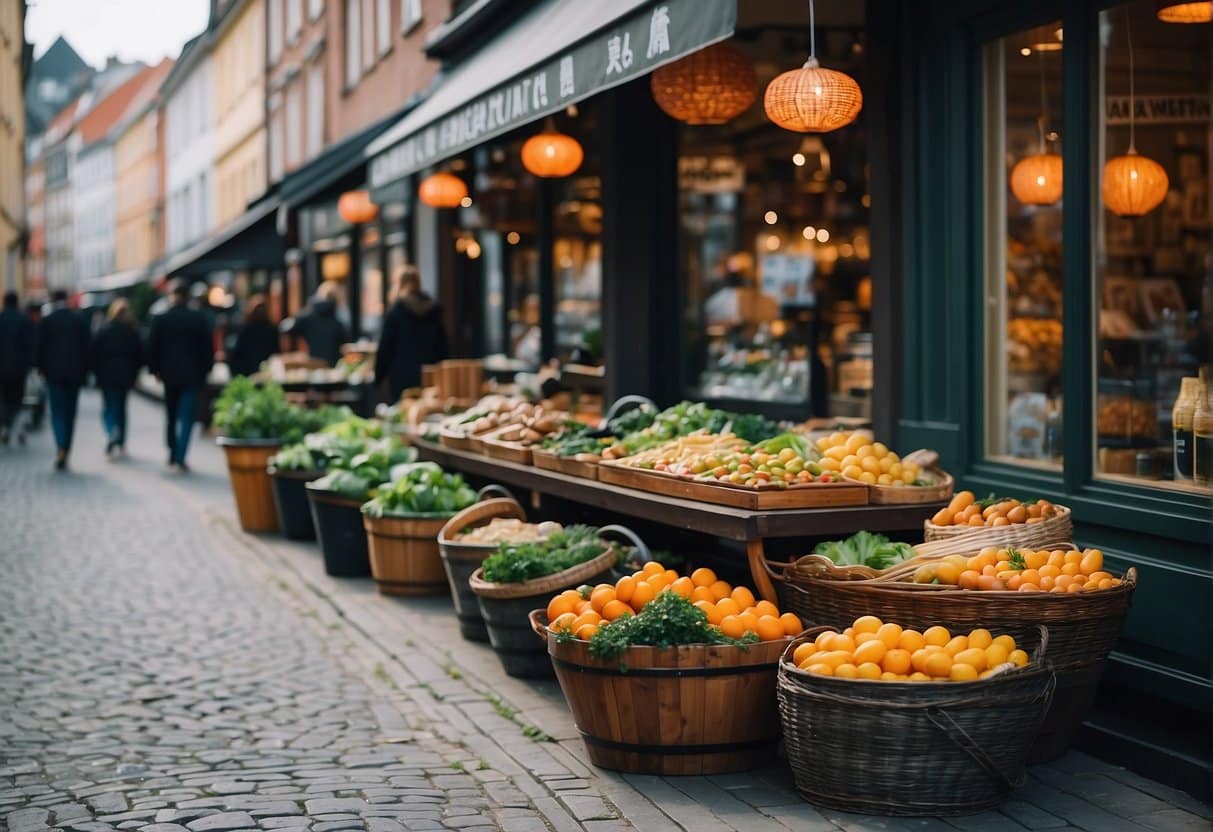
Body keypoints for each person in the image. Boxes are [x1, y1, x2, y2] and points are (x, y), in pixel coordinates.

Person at [147, 279, 213, 472]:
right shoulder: (198, 319)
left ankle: (173, 451)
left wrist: (155, 370)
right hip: (192, 375)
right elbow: (207, 349)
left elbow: (152, 348)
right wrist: (206, 370)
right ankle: (180, 455)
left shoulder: (161, 318)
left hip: (169, 375)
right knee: (187, 417)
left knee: (171, 415)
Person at [374, 267, 449, 402]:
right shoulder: (433, 312)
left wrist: (378, 378)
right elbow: (443, 348)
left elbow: (385, 348)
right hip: (431, 377)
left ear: (399, 284)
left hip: (401, 377)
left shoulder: (396, 312)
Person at [36, 289, 90, 470]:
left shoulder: (47, 321)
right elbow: (86, 349)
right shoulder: (79, 320)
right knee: (70, 414)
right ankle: (66, 448)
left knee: (57, 413)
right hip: (74, 375)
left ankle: (60, 445)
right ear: (67, 300)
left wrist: (41, 369)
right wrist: (85, 372)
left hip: (54, 374)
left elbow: (40, 349)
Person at [90, 298, 143, 457]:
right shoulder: (132, 331)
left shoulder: (104, 330)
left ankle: (111, 431)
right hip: (125, 376)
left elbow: (94, 353)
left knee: (108, 407)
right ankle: (120, 440)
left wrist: (96, 372)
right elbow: (139, 356)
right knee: (121, 408)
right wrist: (136, 375)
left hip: (107, 375)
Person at [282, 282, 348, 366]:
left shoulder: (307, 315)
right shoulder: (337, 322)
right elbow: (344, 345)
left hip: (313, 365)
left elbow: (285, 328)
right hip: (332, 367)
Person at [0, 291, 35, 445]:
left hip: (1, 368)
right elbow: (31, 345)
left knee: (4, 398)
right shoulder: (24, 320)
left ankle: (6, 427)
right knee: (19, 399)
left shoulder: (0, 319)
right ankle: (19, 427)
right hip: (20, 369)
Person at [227, 294, 278, 377]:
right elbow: (275, 352)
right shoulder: (272, 330)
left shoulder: (247, 330)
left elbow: (237, 354)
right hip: (266, 372)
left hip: (248, 372)